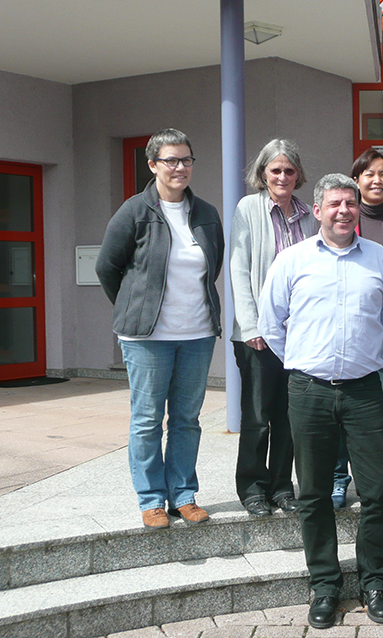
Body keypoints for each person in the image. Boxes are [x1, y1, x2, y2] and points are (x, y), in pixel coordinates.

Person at [257, 174, 383, 630]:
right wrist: (305, 363)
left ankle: (375, 582)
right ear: (317, 210)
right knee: (315, 493)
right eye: (335, 203)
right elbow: (272, 323)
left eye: (351, 203)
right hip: (309, 390)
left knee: (377, 491)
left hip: (365, 390)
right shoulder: (291, 260)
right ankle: (324, 585)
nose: (344, 210)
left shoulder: (380, 260)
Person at [96, 128, 223, 530]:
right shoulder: (134, 211)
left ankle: (183, 496)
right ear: (153, 165)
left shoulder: (205, 213)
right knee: (148, 419)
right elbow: (107, 267)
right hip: (147, 338)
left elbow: (212, 267)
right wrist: (135, 308)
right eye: (171, 160)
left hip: (197, 333)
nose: (180, 167)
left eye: (186, 159)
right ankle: (151, 499)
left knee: (186, 418)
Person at [229, 139, 318, 517]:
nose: (282, 176)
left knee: (289, 416)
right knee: (257, 416)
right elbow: (238, 268)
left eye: (289, 170)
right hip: (258, 337)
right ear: (263, 173)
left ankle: (283, 487)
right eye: (275, 170)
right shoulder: (248, 208)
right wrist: (252, 325)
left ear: (298, 175)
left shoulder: (308, 215)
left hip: (298, 336)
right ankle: (252, 488)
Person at [331, 148, 383, 509]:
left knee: (379, 410)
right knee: (338, 406)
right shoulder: (343, 219)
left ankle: (376, 479)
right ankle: (337, 478)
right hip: (342, 331)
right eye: (369, 173)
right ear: (357, 179)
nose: (377, 180)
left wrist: (373, 304)